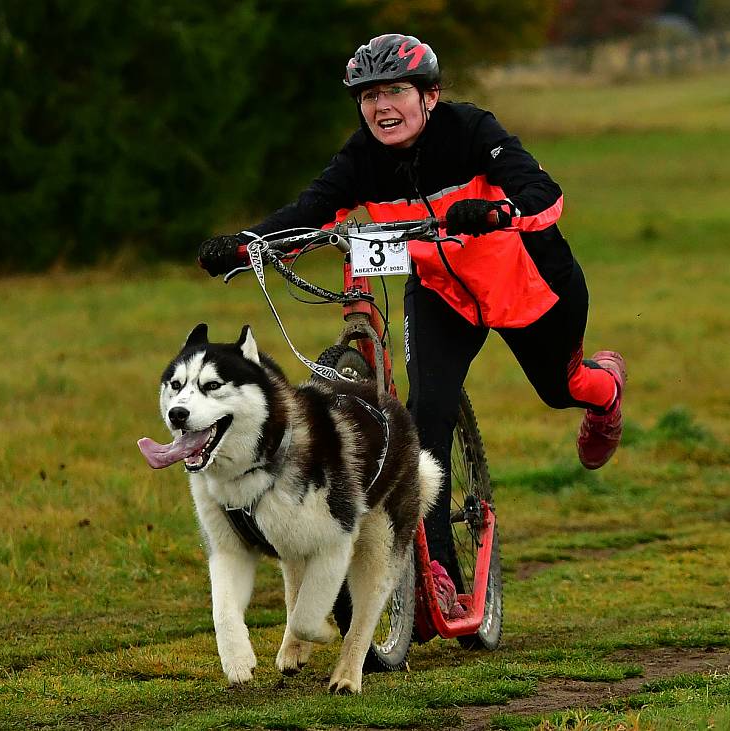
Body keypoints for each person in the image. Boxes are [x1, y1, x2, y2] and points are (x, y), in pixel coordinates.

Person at [198, 33, 626, 614]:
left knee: (563, 389)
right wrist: (249, 245)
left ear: (430, 96)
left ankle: (607, 392)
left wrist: (499, 210)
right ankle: (441, 575)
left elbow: (542, 193)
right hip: (441, 294)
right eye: (369, 96)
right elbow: (310, 211)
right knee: (426, 418)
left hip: (528, 287)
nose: (382, 107)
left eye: (397, 91)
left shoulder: (471, 131)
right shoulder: (362, 157)